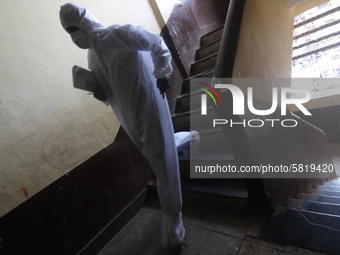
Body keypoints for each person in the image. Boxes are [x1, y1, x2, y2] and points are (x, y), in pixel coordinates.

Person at [59, 3, 185, 249]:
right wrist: (96, 89)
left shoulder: (118, 34)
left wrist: (162, 74)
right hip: (129, 118)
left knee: (161, 160)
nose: (75, 37)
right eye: (70, 33)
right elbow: (110, 92)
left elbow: (156, 44)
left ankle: (174, 220)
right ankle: (192, 138)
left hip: (150, 106)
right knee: (157, 153)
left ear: (85, 21)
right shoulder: (92, 57)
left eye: (75, 29)